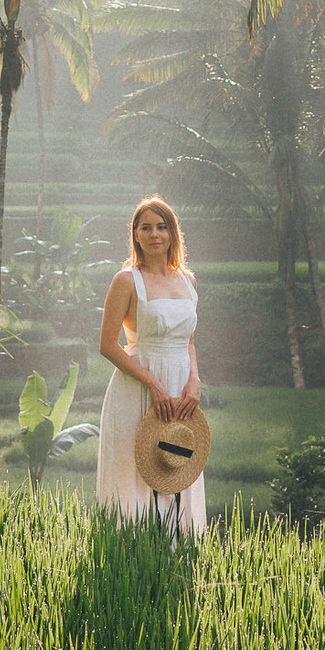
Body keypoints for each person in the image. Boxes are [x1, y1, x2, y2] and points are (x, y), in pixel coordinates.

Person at [95, 195, 206, 535]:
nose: (154, 234)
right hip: (137, 386)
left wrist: (195, 381)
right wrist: (153, 385)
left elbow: (188, 341)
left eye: (161, 227)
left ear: (173, 233)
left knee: (176, 465)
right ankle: (131, 554)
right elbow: (107, 345)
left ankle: (178, 553)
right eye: (146, 228)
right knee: (135, 472)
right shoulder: (126, 280)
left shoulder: (188, 280)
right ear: (136, 235)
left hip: (180, 388)